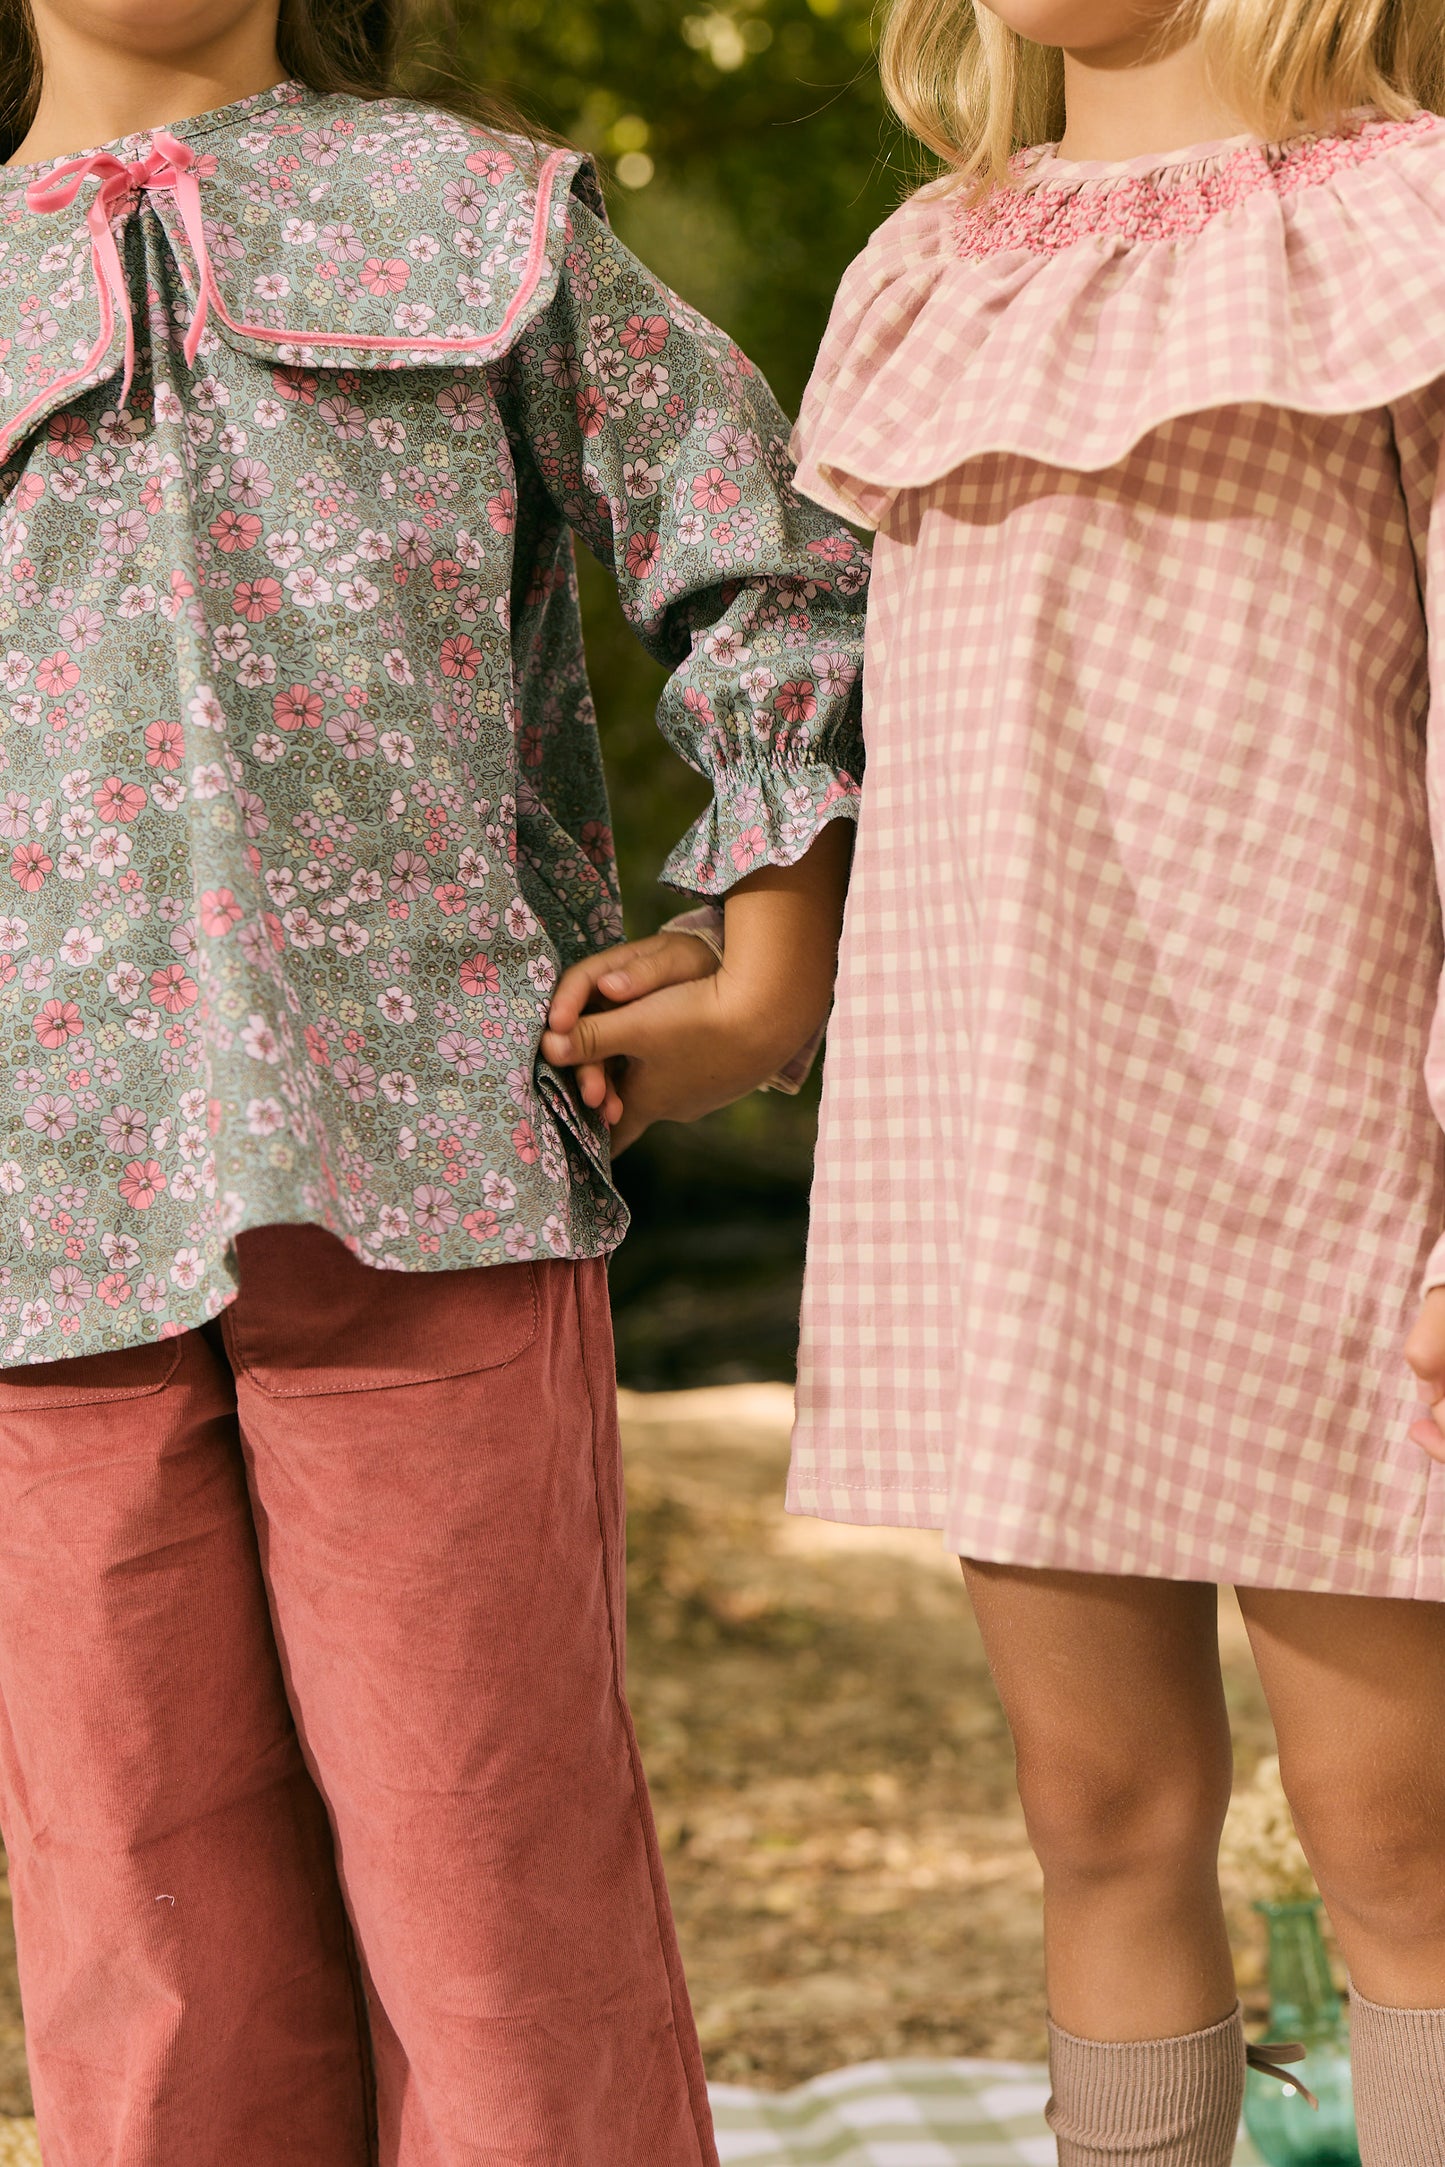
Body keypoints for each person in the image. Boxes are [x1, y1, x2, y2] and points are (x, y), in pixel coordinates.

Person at [543, 0, 1445, 2158]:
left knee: (1404, 1836)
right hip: (1017, 1153)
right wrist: (741, 958)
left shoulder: (1414, 223)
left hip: (1349, 1165)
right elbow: (846, 703)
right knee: (1098, 1811)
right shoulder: (931, 261)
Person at [0, 0, 869, 2155]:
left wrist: (767, 966)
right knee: (145, 1938)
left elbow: (776, 555)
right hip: (37, 1231)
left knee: (499, 1918)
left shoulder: (477, 211)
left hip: (433, 1169)